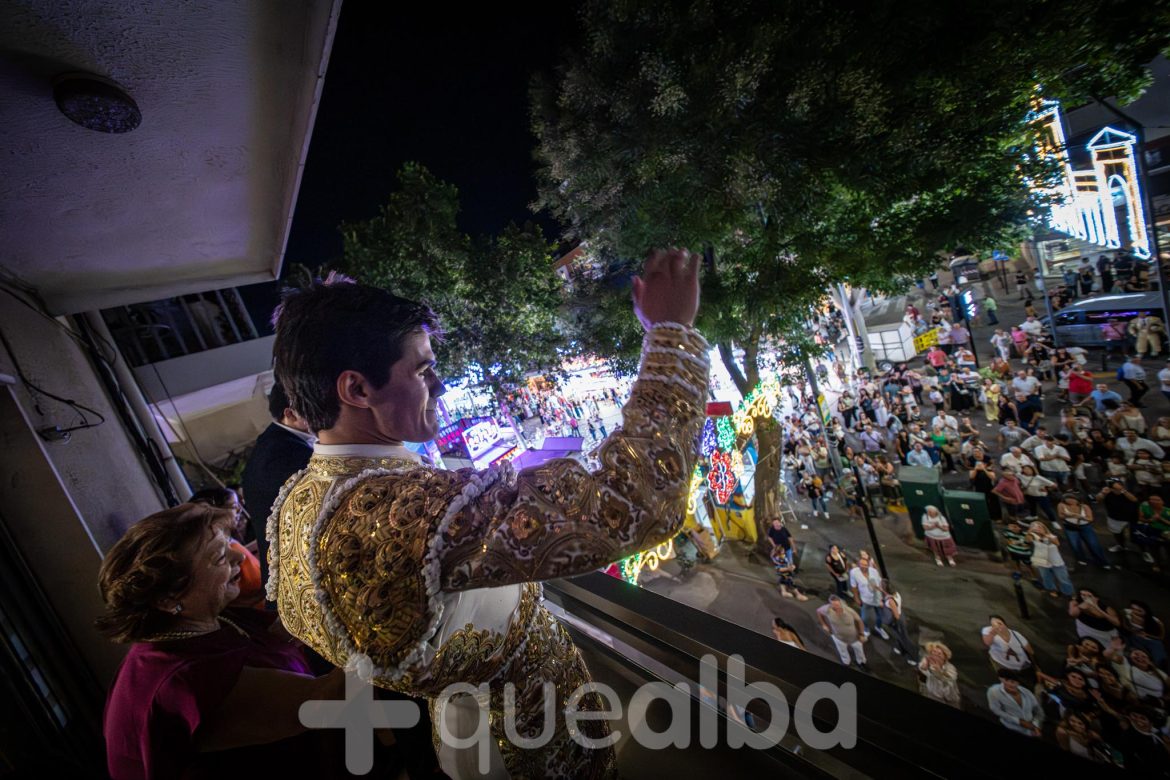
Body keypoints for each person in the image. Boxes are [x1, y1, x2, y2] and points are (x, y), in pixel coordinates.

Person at [268, 249, 704, 776]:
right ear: (356, 389)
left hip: (474, 741)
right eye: (423, 370)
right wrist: (671, 335)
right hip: (528, 752)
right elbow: (634, 501)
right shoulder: (399, 511)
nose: (441, 385)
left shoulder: (302, 500)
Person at [97, 504, 376, 780]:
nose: (238, 556)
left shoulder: (205, 618)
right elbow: (326, 700)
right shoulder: (183, 681)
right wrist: (382, 618)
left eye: (228, 542)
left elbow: (282, 636)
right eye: (218, 557)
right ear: (169, 598)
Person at [241, 380, 315, 587]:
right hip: (295, 578)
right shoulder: (284, 455)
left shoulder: (278, 443)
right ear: (290, 414)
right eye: (315, 406)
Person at [189, 488, 265, 610]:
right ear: (215, 509)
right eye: (234, 506)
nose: (240, 509)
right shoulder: (215, 549)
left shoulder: (229, 540)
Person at [983, 615, 1041, 687]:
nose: (997, 627)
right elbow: (987, 643)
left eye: (999, 624)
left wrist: (1037, 666)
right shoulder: (988, 631)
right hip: (1004, 666)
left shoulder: (1016, 635)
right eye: (993, 625)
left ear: (1005, 624)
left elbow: (1030, 651)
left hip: (1022, 666)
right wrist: (991, 634)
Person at [1058, 494, 1112, 569]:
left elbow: (1090, 519)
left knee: (1093, 544)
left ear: (1077, 499)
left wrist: (1080, 517)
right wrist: (1071, 515)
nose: (1070, 500)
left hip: (1085, 527)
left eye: (1072, 499)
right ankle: (1081, 558)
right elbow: (1061, 516)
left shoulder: (1085, 506)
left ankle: (1102, 562)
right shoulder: (1061, 505)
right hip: (1070, 527)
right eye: (1067, 499)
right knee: (1075, 545)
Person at [817, 595, 869, 670]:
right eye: (833, 605)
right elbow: (818, 611)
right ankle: (846, 662)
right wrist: (823, 624)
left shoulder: (849, 610)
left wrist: (861, 634)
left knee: (859, 651)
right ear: (830, 604)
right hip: (838, 637)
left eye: (837, 604)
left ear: (840, 603)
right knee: (842, 652)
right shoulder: (827, 609)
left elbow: (859, 621)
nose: (836, 607)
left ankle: (861, 662)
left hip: (854, 637)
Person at [987, 669, 1043, 737]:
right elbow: (996, 710)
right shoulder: (993, 691)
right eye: (1008, 681)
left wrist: (1035, 726)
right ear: (1001, 679)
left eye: (1015, 682)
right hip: (1010, 727)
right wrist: (1019, 721)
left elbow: (1038, 710)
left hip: (1030, 731)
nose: (1012, 684)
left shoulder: (1026, 692)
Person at [1028, 521, 1075, 598]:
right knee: (1046, 578)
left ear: (1044, 528)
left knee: (1063, 578)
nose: (1037, 529)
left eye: (1039, 527)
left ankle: (1068, 592)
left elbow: (1057, 543)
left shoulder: (1051, 536)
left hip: (1056, 561)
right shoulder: (1033, 537)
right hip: (1042, 562)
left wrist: (1044, 534)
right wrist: (1029, 532)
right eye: (1034, 527)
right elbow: (1027, 540)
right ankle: (1052, 590)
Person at [849, 557, 889, 640]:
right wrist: (856, 597)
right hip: (866, 600)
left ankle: (879, 627)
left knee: (880, 616)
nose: (864, 566)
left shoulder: (874, 571)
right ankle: (866, 629)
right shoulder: (854, 573)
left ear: (868, 565)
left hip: (878, 598)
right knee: (865, 618)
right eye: (862, 564)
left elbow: (880, 584)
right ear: (858, 565)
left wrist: (883, 597)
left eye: (866, 565)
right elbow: (854, 586)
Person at [1097, 479, 1140, 553]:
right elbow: (1098, 499)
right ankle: (1121, 545)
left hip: (1130, 518)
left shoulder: (1127, 492)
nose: (1116, 490)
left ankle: (1143, 550)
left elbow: (1134, 500)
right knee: (1117, 533)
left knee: (1137, 535)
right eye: (1114, 488)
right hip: (1114, 518)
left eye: (1118, 487)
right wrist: (1103, 493)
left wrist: (1122, 490)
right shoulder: (1107, 493)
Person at [917, 641, 961, 708]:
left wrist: (939, 671)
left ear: (945, 656)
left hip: (951, 696)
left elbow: (951, 678)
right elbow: (922, 668)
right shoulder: (927, 662)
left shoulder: (950, 667)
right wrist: (923, 666)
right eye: (933, 652)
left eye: (939, 653)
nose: (936, 655)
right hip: (934, 695)